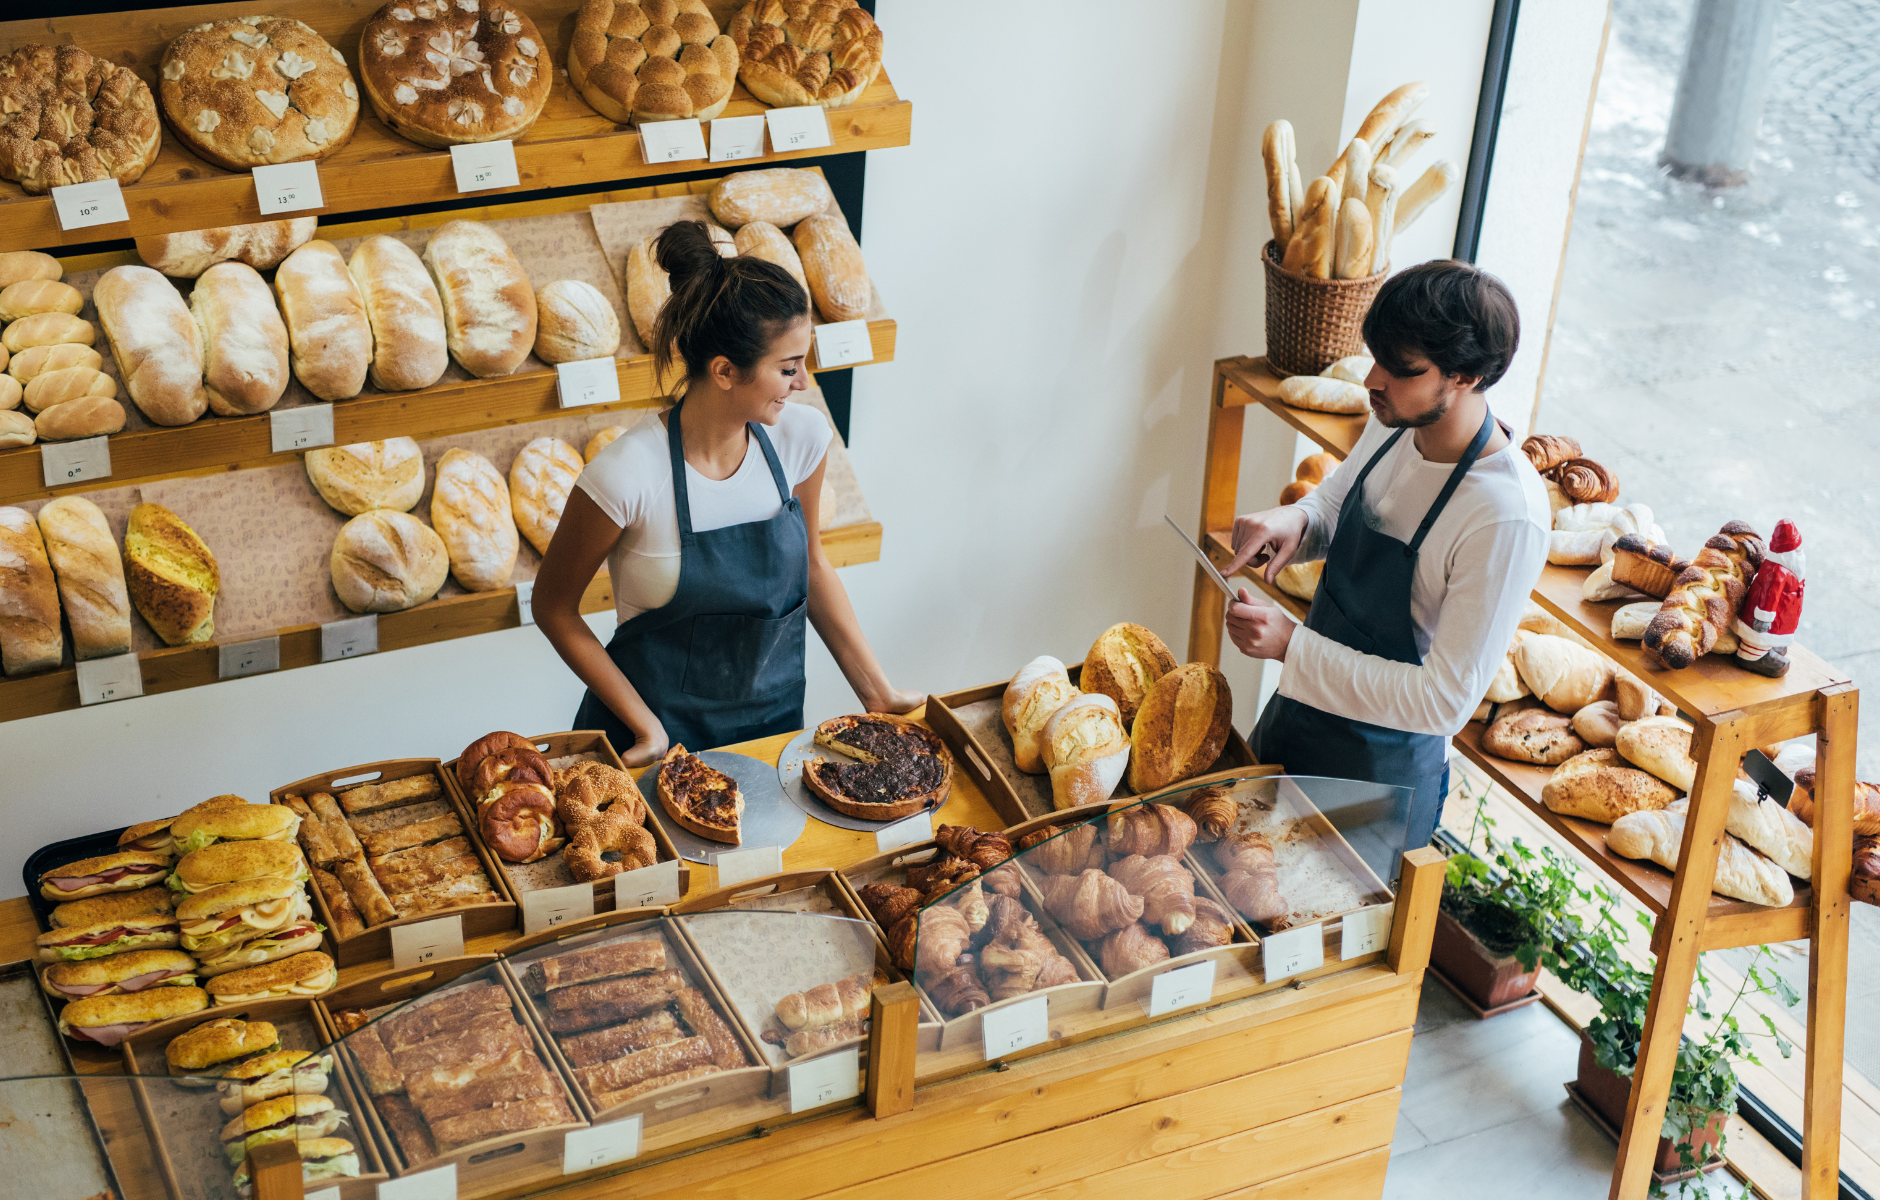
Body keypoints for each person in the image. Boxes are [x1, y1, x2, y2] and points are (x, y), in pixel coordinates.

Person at [534, 220, 921, 767]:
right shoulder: (627, 476)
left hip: (771, 737)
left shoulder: (801, 439)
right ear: (724, 371)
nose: (804, 383)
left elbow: (811, 564)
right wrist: (644, 726)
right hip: (650, 750)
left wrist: (877, 691)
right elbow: (552, 606)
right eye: (788, 368)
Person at [1221, 260, 1550, 854]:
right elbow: (1337, 503)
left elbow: (1443, 701)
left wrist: (1292, 646)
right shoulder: (1396, 416)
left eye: (1400, 369)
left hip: (1377, 790)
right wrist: (1296, 521)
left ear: (1467, 375)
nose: (1374, 380)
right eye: (1376, 357)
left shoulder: (1506, 516)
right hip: (1295, 723)